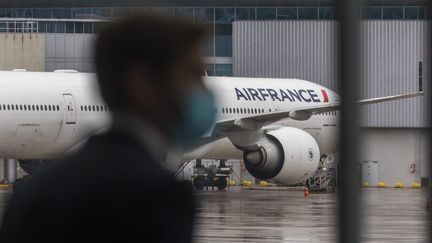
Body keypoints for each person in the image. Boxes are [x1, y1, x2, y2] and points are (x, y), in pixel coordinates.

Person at [0, 14, 215, 243]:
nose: (204, 91)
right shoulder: (159, 196)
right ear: (141, 83)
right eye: (192, 76)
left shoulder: (33, 195)